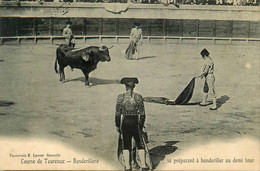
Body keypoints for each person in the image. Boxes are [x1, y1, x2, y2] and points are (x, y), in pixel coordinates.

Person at [115, 77, 148, 170]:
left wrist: (117, 125)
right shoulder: (138, 97)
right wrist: (140, 125)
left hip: (125, 122)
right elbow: (142, 114)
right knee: (139, 143)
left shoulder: (121, 97)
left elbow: (117, 114)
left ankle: (128, 166)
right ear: (134, 86)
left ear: (125, 86)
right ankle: (143, 165)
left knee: (126, 144)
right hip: (135, 122)